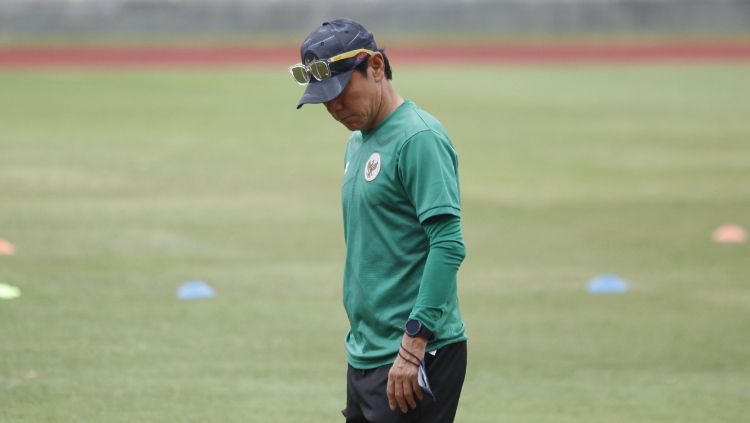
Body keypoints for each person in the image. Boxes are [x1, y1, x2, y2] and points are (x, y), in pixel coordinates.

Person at [290, 18, 468, 423]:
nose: (333, 107)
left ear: (375, 66)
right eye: (323, 99)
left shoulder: (418, 138)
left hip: (414, 353)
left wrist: (414, 342)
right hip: (368, 352)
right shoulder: (357, 143)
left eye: (339, 92)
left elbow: (448, 244)